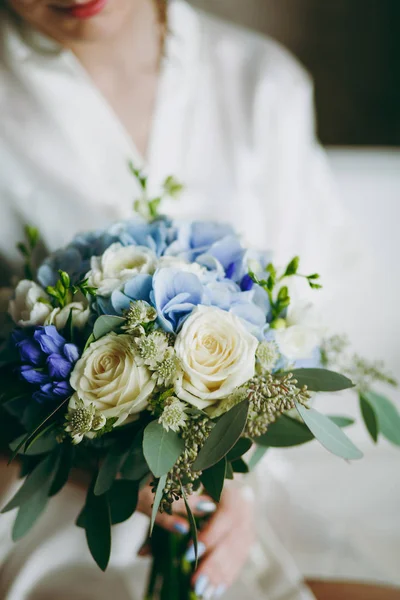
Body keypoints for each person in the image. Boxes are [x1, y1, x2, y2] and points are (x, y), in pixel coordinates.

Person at [0, 1, 399, 600]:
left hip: (264, 482)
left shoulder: (261, 82)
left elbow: (309, 322)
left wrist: (238, 471)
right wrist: (102, 465)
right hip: (61, 504)